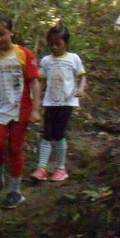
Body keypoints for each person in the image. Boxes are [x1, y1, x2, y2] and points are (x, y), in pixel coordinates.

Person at [0, 16, 42, 208]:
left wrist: (36, 109)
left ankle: (15, 190)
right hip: (0, 107)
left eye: (2, 34)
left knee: (15, 148)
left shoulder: (23, 53)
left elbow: (34, 82)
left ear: (11, 32)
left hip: (20, 108)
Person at [30, 25, 87, 182]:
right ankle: (42, 168)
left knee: (59, 134)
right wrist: (37, 101)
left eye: (58, 44)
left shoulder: (73, 58)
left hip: (67, 102)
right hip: (50, 102)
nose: (54, 47)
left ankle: (60, 168)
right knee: (47, 134)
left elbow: (82, 76)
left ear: (65, 43)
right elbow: (41, 81)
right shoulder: (46, 61)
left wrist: (81, 89)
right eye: (51, 44)